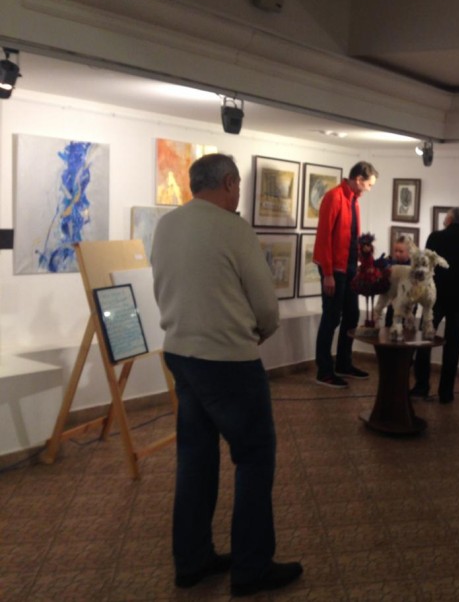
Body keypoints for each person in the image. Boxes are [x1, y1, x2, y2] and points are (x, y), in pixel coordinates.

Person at [151, 153, 302, 596]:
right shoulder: (234, 229)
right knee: (254, 457)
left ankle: (192, 560)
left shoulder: (166, 226)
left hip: (180, 353)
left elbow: (163, 288)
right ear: (230, 183)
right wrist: (260, 333)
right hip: (229, 362)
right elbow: (265, 305)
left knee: (194, 459)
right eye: (238, 187)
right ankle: (252, 567)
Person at [313, 161, 378, 388]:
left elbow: (351, 238)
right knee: (331, 318)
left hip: (350, 270)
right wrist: (328, 274)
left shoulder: (354, 201)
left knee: (351, 316)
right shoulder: (334, 197)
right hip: (334, 270)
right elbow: (324, 238)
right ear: (359, 179)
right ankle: (324, 371)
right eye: (369, 184)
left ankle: (343, 363)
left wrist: (363, 261)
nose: (369, 189)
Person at [411, 207, 459, 403]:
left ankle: (421, 386)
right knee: (453, 346)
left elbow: (425, 267)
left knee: (424, 342)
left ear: (449, 220)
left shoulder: (435, 238)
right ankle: (446, 393)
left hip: (435, 298)